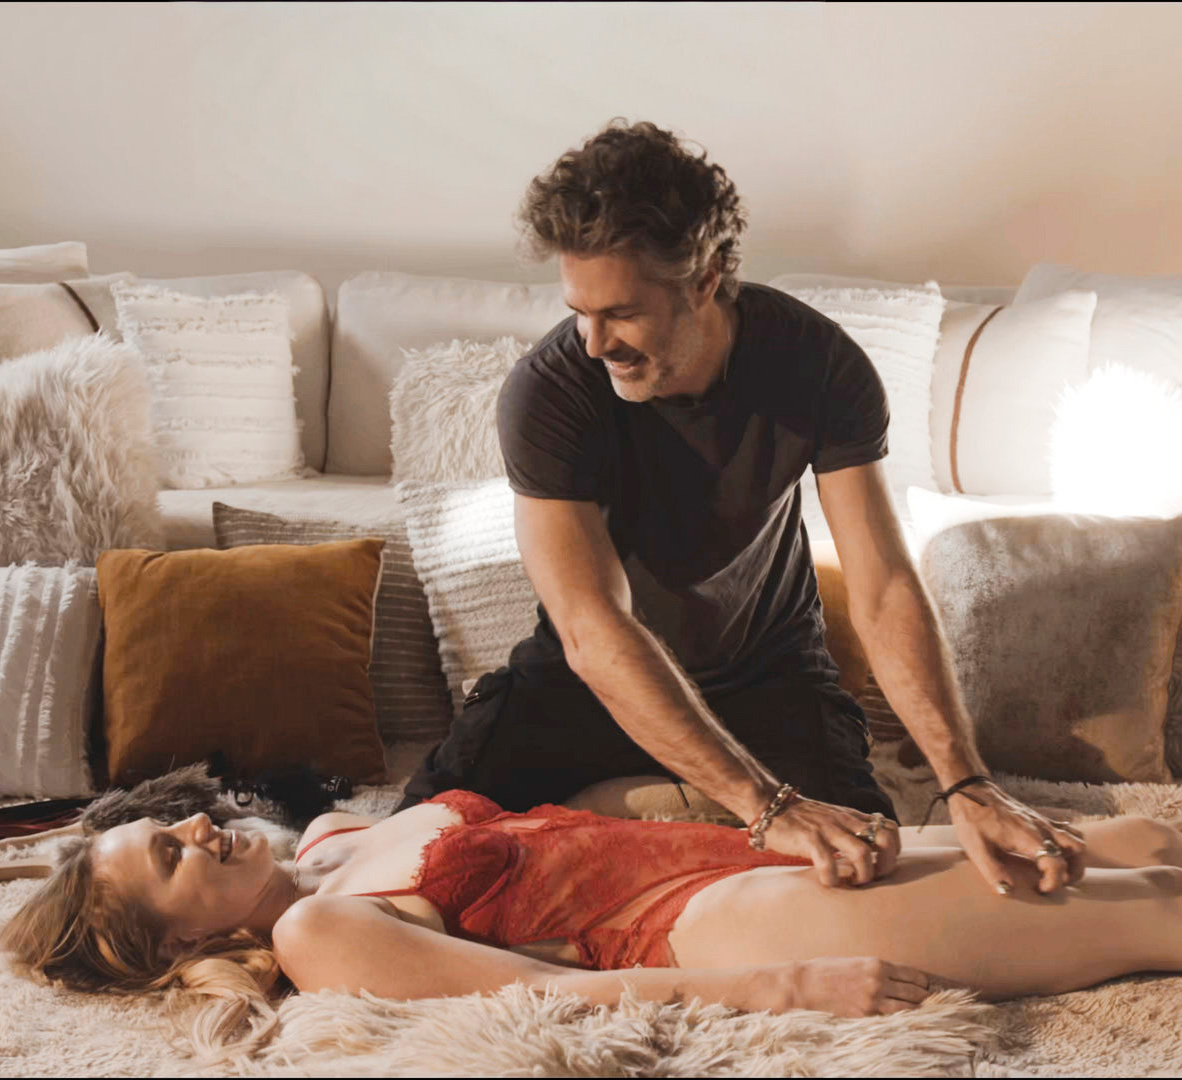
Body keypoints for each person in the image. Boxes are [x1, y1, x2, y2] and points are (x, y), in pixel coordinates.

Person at [402, 117, 1086, 897]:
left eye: (620, 312)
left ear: (704, 278)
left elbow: (883, 585)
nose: (594, 343)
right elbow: (593, 629)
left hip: (769, 680)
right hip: (582, 685)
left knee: (862, 871)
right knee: (409, 865)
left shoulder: (818, 363)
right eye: (579, 311)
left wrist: (966, 782)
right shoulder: (550, 391)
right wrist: (767, 808)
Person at [4, 796, 1182, 1062]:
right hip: (717, 918)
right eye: (170, 858)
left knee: (1138, 839)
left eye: (171, 822)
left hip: (741, 849)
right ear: (176, 946)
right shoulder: (320, 931)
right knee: (1154, 914)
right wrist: (783, 989)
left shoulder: (326, 840)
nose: (196, 827)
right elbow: (538, 996)